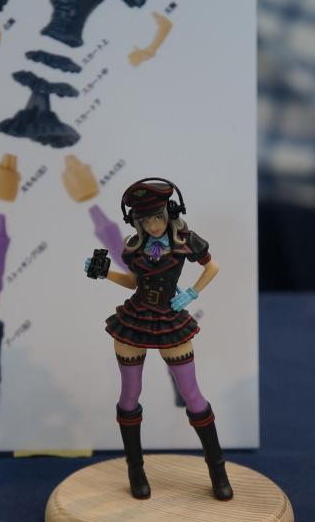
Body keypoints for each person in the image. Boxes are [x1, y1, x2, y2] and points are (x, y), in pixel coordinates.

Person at [85, 178, 231, 501]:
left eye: (157, 217)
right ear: (135, 221)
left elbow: (213, 267)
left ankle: (218, 469)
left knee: (192, 395)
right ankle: (135, 470)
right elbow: (133, 282)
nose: (152, 225)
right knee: (130, 394)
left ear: (170, 212)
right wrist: (105, 272)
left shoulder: (185, 240)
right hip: (135, 319)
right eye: (145, 219)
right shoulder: (134, 246)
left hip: (169, 318)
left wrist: (192, 292)